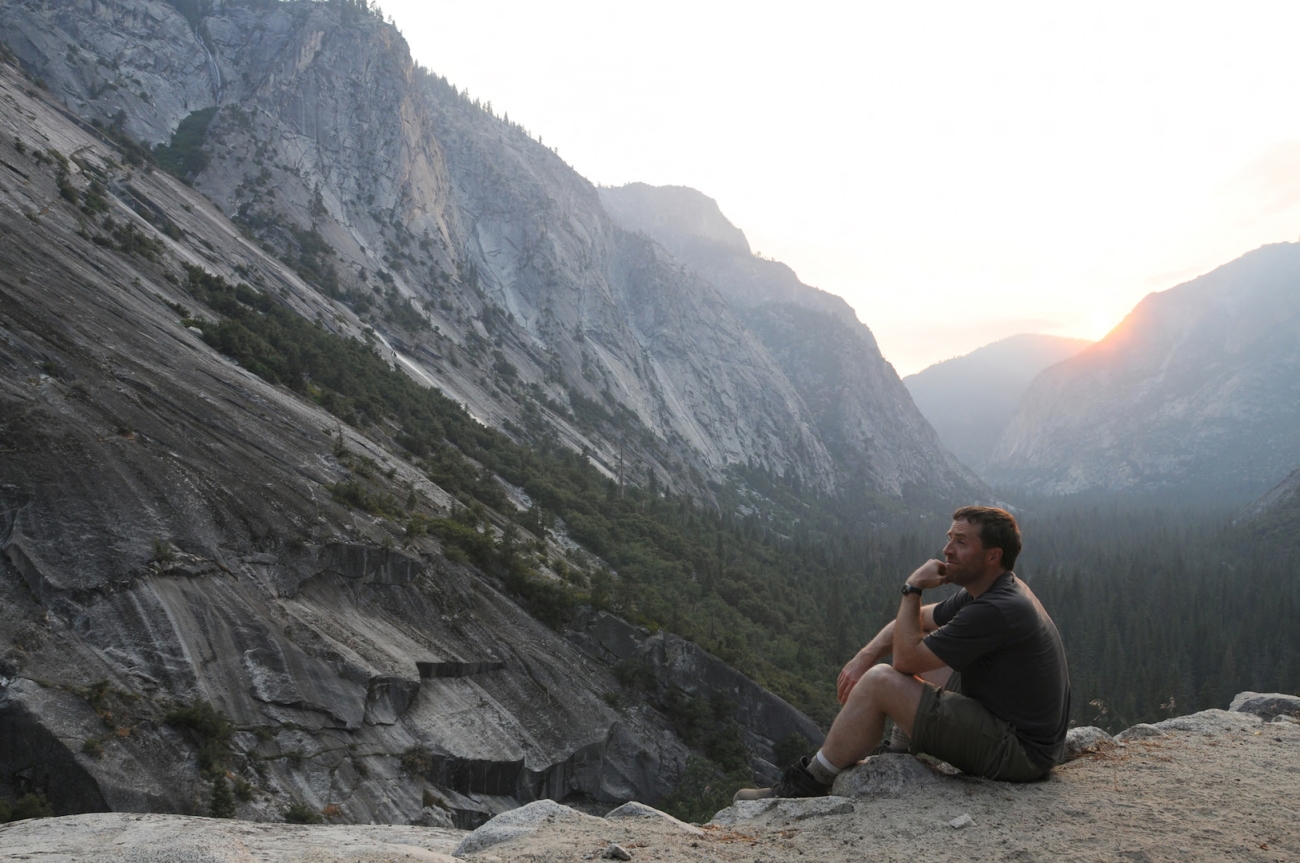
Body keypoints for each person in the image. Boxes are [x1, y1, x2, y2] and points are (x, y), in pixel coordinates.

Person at [737, 506, 1070, 799]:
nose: (947, 550)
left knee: (880, 681)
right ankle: (900, 749)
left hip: (1020, 754)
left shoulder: (997, 608)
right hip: (1014, 729)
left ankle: (809, 783)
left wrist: (913, 587)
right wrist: (865, 655)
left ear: (993, 556)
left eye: (961, 542)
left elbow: (905, 659)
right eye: (949, 538)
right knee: (926, 640)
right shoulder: (987, 590)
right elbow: (917, 623)